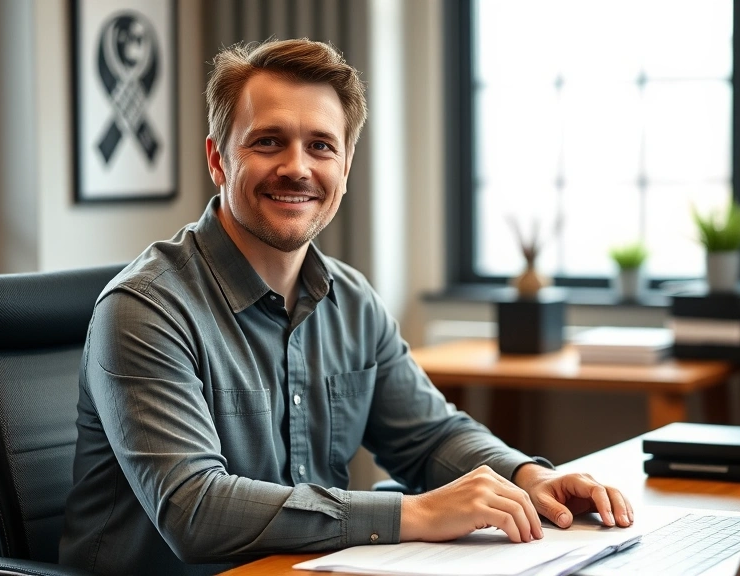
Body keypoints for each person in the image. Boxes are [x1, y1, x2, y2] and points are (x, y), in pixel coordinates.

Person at [58, 38, 633, 575]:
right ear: (217, 159)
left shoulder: (351, 300)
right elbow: (194, 508)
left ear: (346, 167)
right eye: (268, 141)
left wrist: (527, 477)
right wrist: (416, 515)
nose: (298, 168)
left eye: (321, 146)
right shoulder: (145, 309)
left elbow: (430, 437)